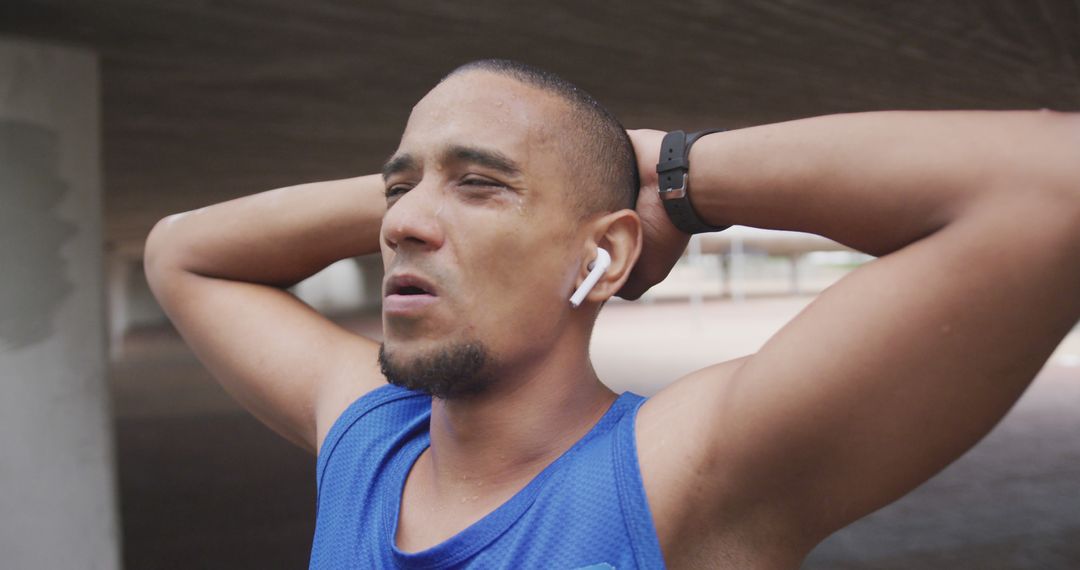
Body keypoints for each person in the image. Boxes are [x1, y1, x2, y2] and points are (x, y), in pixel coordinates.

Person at [144, 59, 1080, 568]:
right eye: (397, 192)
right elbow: (180, 250)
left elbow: (1054, 184)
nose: (401, 226)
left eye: (481, 187)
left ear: (608, 253)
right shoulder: (370, 438)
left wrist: (670, 171)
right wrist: (439, 186)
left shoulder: (677, 476)